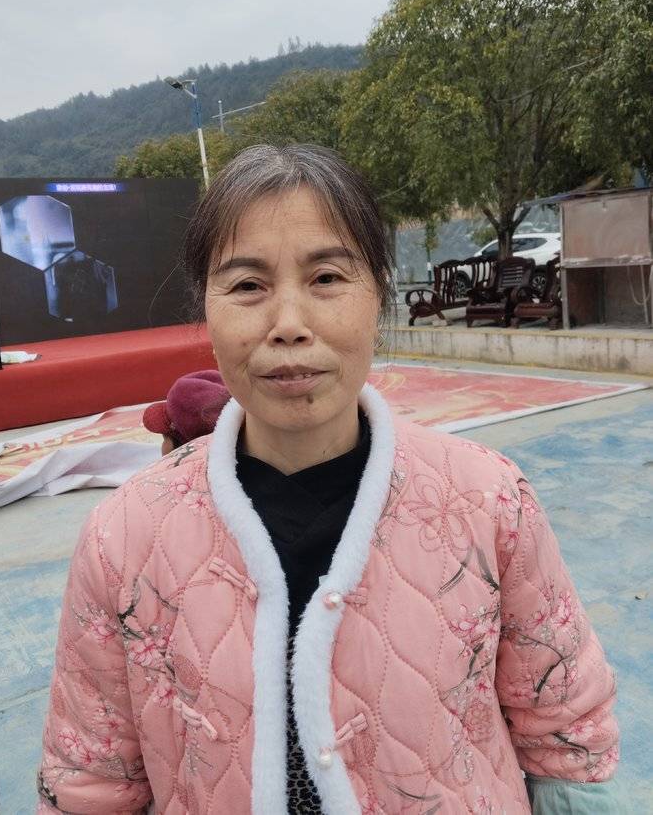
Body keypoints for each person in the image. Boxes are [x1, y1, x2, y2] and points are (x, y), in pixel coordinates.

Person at [38, 145, 624, 814]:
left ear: (377, 294)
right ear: (205, 306)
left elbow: (564, 727)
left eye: (325, 278)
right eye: (247, 286)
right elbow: (91, 776)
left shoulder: (489, 501)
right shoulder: (122, 538)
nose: (289, 325)